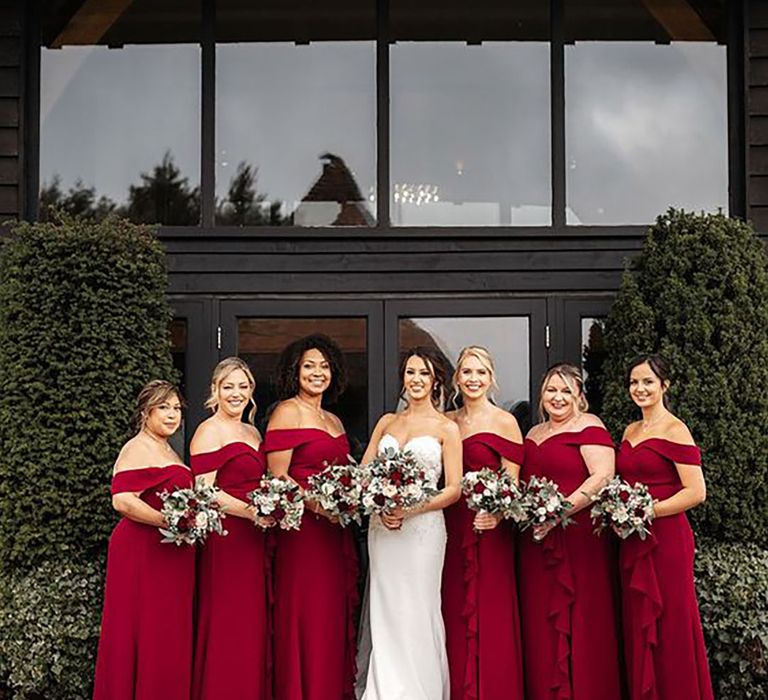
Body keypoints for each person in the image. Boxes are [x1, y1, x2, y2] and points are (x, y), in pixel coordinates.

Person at [356, 346, 461, 700]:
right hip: (382, 529)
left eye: (424, 374)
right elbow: (363, 474)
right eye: (411, 372)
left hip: (422, 531)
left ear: (436, 381)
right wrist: (377, 500)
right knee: (384, 609)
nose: (416, 380)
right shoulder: (387, 422)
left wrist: (409, 509)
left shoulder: (447, 427)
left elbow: (454, 489)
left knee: (418, 608)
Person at [518, 363, 622, 699]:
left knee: (582, 617)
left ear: (580, 397)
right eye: (551, 390)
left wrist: (559, 511)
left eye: (566, 391)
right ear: (541, 395)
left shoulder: (590, 426)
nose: (557, 397)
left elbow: (602, 477)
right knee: (540, 620)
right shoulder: (533, 433)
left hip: (578, 538)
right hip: (536, 540)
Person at [264, 334, 358, 700]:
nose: (317, 372)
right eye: (309, 366)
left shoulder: (333, 419)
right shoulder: (286, 411)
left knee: (330, 618)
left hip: (335, 534)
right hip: (302, 532)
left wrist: (346, 500)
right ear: (295, 371)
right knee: (304, 615)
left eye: (324, 366)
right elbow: (277, 477)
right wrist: (318, 505)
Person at [617, 354, 714, 699]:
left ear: (664, 386)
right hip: (633, 539)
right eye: (634, 382)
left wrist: (649, 511)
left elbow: (696, 492)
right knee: (637, 621)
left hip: (666, 540)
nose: (639, 389)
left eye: (647, 382)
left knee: (670, 623)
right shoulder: (631, 430)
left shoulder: (676, 429)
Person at [93, 380, 194, 700]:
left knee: (165, 633)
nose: (172, 414)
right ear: (144, 412)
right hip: (141, 553)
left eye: (176, 408)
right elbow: (122, 500)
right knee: (142, 630)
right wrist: (168, 520)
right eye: (163, 407)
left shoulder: (168, 449)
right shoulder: (136, 447)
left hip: (170, 556)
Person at [443, 346, 524, 700]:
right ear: (457, 378)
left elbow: (513, 483)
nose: (473, 379)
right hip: (449, 526)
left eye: (480, 372)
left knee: (489, 612)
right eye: (467, 372)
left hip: (488, 528)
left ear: (491, 379)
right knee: (452, 610)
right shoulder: (446, 421)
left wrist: (497, 511)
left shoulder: (505, 422)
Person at [190, 357, 270, 700]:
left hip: (255, 539)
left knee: (251, 622)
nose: (236, 393)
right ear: (215, 391)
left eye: (242, 386)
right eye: (228, 387)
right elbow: (203, 490)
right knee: (228, 619)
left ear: (251, 390)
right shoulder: (208, 430)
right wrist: (251, 512)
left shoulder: (253, 431)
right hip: (226, 538)